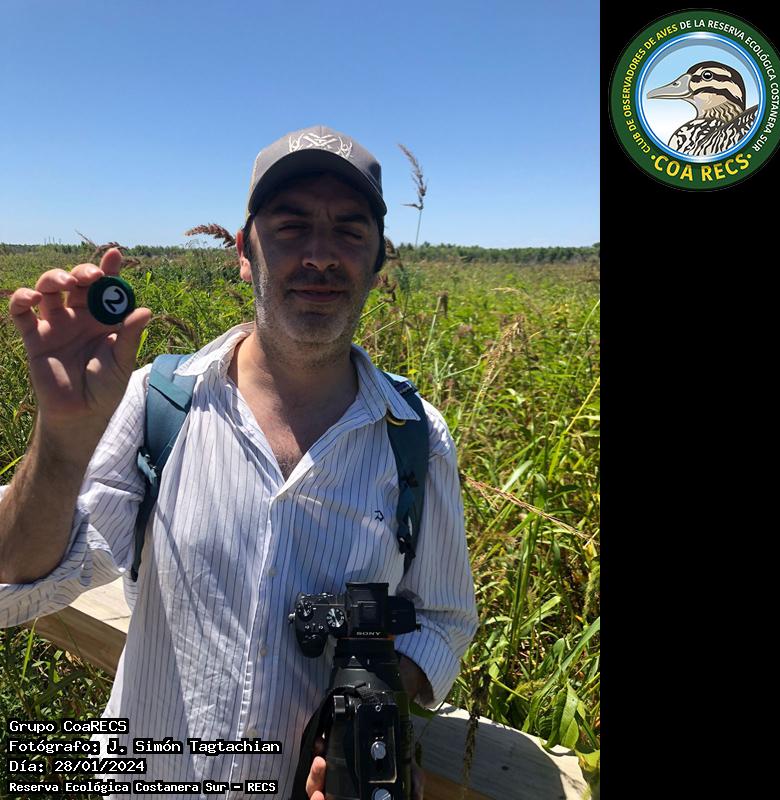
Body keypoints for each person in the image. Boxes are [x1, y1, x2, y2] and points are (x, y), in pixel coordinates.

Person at [0, 124, 478, 800]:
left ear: (378, 260)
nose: (319, 255)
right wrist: (61, 437)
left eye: (349, 231)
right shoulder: (158, 403)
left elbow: (444, 621)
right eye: (290, 226)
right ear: (245, 252)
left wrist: (364, 718)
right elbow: (18, 587)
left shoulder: (416, 437)